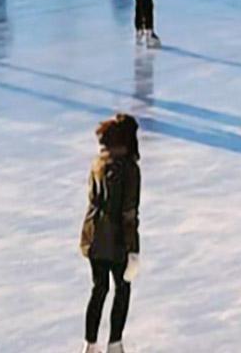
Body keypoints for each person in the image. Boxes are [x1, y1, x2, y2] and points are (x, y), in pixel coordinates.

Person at [80, 113, 141, 353]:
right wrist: (133, 249)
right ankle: (115, 344)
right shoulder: (129, 169)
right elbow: (128, 212)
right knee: (122, 288)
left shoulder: (98, 162)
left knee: (99, 288)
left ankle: (90, 345)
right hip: (116, 240)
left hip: (94, 236)